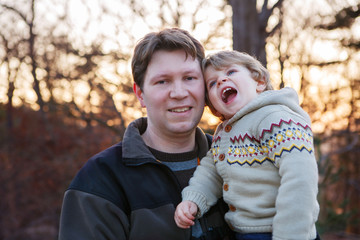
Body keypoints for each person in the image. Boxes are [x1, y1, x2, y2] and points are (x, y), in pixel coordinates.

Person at [58, 28, 233, 240]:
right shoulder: (100, 179)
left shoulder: (237, 158)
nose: (179, 93)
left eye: (189, 78)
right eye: (162, 81)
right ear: (140, 94)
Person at [174, 50, 320, 240]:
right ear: (214, 107)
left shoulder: (275, 118)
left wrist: (290, 235)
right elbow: (210, 173)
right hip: (242, 232)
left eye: (231, 72)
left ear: (259, 82)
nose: (221, 80)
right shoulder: (225, 132)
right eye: (212, 83)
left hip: (280, 230)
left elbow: (300, 178)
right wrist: (193, 200)